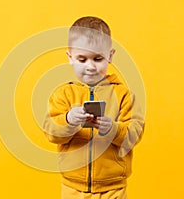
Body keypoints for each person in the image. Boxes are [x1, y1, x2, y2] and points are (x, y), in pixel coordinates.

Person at [43, 16, 145, 199]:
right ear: (70, 58)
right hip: (72, 188)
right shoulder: (63, 94)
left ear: (110, 56)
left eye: (98, 59)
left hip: (113, 188)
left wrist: (113, 130)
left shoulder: (124, 96)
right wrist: (68, 120)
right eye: (82, 59)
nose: (90, 66)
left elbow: (135, 133)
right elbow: (51, 132)